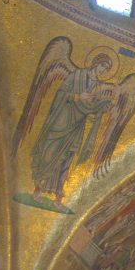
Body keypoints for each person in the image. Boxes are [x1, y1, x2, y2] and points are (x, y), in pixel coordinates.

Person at [28, 53, 114, 209]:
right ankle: (37, 190)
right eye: (103, 66)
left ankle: (58, 197)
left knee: (67, 158)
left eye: (106, 69)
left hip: (77, 125)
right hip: (62, 121)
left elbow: (89, 106)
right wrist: (76, 96)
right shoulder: (77, 75)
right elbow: (60, 94)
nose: (103, 71)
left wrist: (100, 108)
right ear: (95, 63)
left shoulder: (97, 86)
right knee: (51, 153)